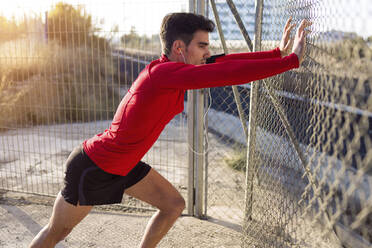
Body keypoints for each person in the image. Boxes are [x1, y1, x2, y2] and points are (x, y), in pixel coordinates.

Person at [29, 12, 311, 248]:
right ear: (179, 47)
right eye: (202, 46)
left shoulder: (173, 70)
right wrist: (290, 61)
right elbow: (224, 74)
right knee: (56, 233)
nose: (207, 52)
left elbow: (223, 63)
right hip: (94, 166)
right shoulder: (162, 75)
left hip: (123, 165)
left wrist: (276, 53)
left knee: (173, 204)